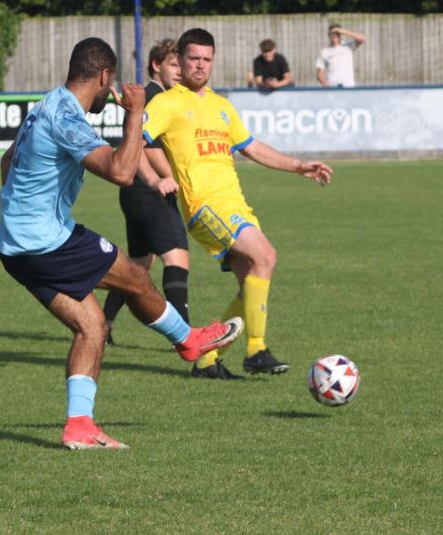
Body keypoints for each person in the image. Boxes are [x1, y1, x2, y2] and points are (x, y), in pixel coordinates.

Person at [0, 37, 242, 450]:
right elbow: (122, 172)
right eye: (113, 80)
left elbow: (7, 160)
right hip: (47, 242)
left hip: (14, 248)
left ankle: (79, 426)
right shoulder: (67, 119)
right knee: (136, 278)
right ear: (104, 76)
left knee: (92, 326)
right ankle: (189, 341)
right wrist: (136, 113)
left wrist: (10, 221)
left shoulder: (45, 104)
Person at [143, 28, 334, 377]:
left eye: (207, 59)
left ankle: (207, 359)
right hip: (204, 205)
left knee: (252, 282)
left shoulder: (222, 106)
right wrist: (156, 179)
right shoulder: (167, 102)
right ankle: (256, 350)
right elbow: (137, 140)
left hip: (235, 203)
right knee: (266, 256)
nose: (200, 65)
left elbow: (252, 147)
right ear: (180, 61)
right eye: (193, 58)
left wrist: (298, 166)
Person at [101, 40, 196, 368]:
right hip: (148, 191)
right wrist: (166, 177)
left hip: (134, 191)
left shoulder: (153, 96)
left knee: (138, 268)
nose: (181, 72)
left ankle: (103, 325)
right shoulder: (156, 97)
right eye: (174, 65)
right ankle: (186, 337)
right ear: (157, 65)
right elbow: (142, 144)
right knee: (177, 256)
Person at [316, 23, 366, 88]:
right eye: (333, 33)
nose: (335, 35)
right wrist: (327, 87)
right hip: (332, 88)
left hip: (348, 87)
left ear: (341, 34)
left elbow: (362, 38)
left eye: (337, 33)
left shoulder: (348, 46)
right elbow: (319, 75)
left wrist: (343, 31)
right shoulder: (324, 52)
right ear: (329, 35)